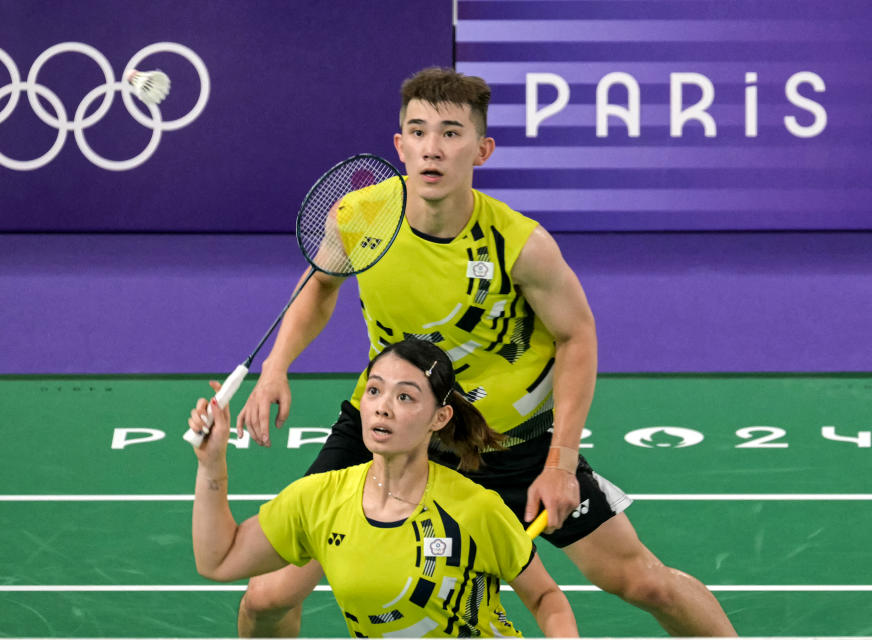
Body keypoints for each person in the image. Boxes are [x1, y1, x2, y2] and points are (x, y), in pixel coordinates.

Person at [233, 67, 737, 637]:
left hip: (506, 443)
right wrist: (276, 367)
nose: (432, 148)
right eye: (418, 131)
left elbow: (578, 337)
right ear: (399, 146)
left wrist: (561, 463)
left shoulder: (520, 245)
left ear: (482, 149)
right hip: (396, 428)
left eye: (451, 133)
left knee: (641, 582)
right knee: (266, 596)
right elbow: (320, 285)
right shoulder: (360, 219)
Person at [187, 339, 579, 638]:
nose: (382, 407)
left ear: (439, 418)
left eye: (405, 396)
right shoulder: (320, 499)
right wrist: (212, 463)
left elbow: (547, 600)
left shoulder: (474, 509)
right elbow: (219, 560)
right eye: (374, 391)